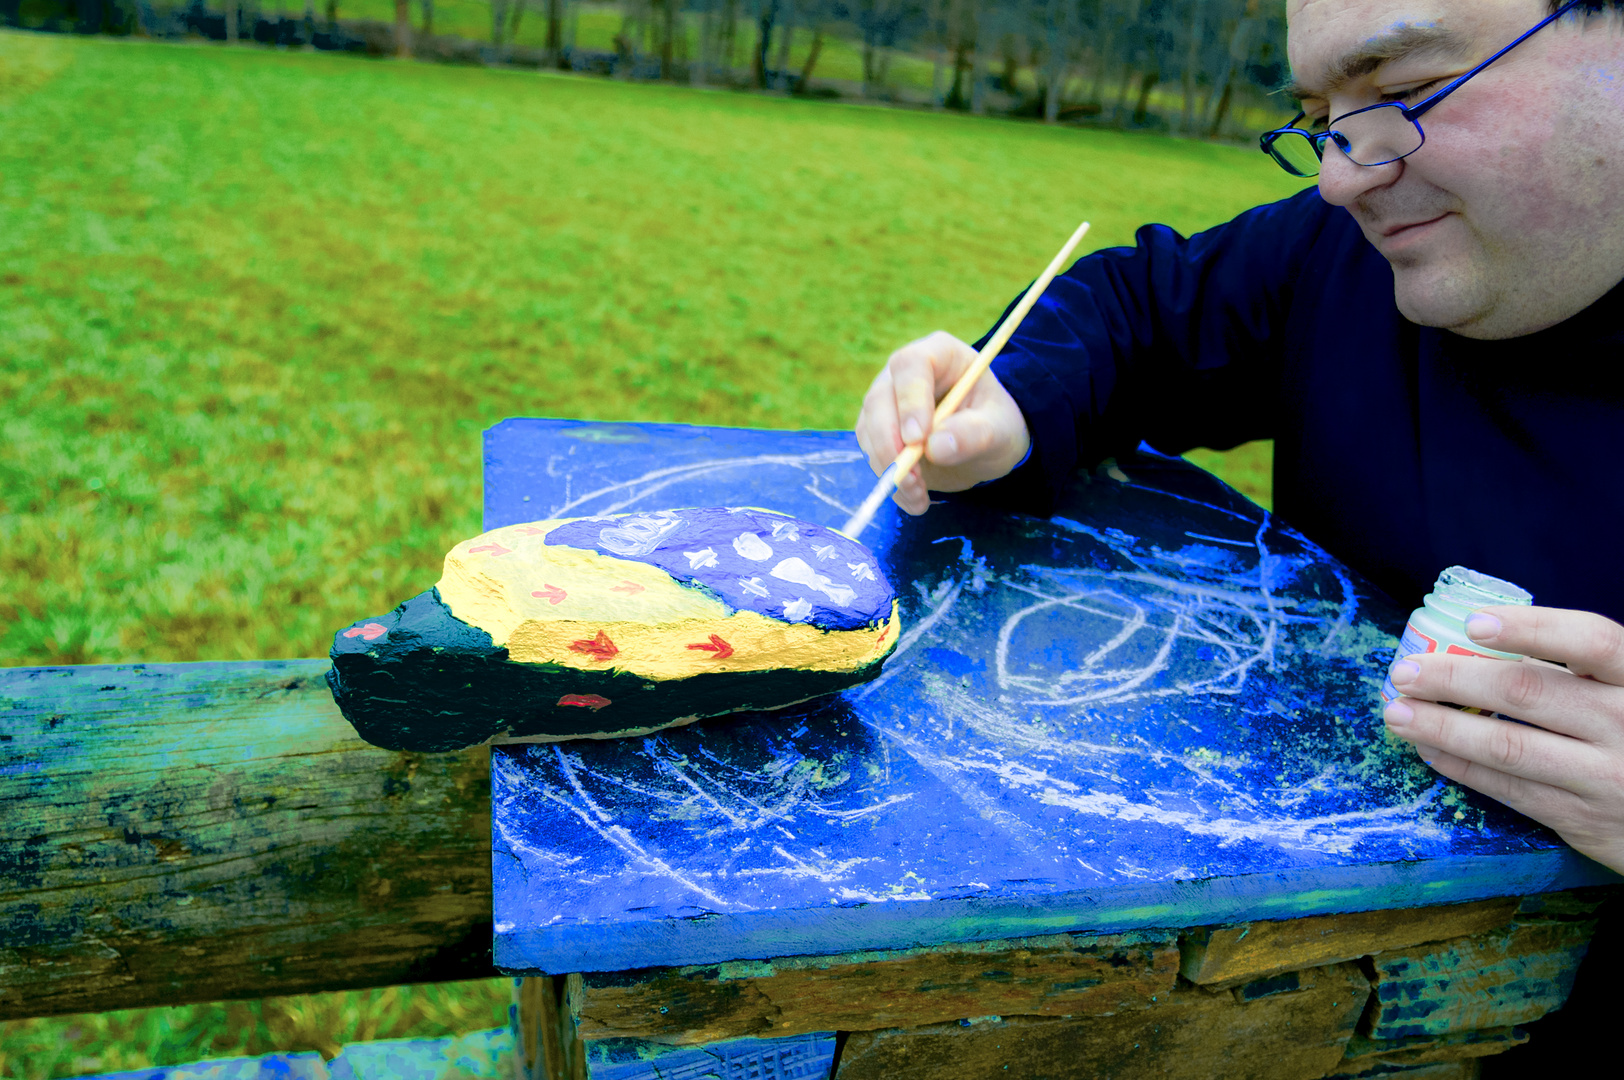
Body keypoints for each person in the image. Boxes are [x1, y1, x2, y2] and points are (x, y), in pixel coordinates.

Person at [853, 0, 1624, 1068]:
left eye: (1400, 92)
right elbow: (1139, 313)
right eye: (1320, 119)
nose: (1339, 177)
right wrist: (1007, 405)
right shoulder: (1343, 259)